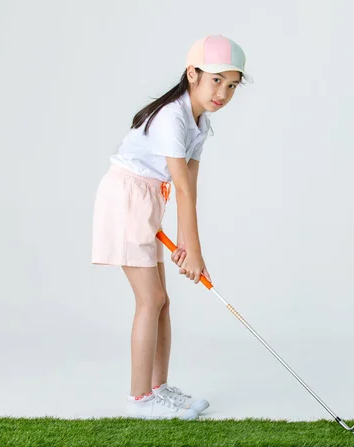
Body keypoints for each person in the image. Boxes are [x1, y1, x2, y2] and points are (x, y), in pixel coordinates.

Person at [91, 35, 252, 420]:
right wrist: (194, 252)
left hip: (149, 200)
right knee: (151, 300)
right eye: (216, 80)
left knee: (163, 300)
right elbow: (180, 186)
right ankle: (138, 399)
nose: (223, 93)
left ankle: (157, 389)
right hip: (127, 199)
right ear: (192, 74)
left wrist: (187, 243)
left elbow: (189, 190)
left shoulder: (200, 123)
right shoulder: (172, 118)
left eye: (232, 85)